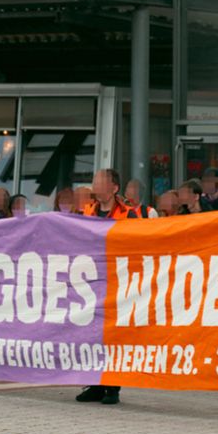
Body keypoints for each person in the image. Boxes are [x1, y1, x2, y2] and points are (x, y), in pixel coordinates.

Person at [76, 169, 137, 406]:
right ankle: (95, 383)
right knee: (91, 333)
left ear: (114, 188)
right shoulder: (87, 211)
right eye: (94, 181)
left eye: (100, 182)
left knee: (113, 334)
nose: (95, 186)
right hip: (92, 280)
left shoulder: (129, 215)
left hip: (117, 279)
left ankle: (112, 386)